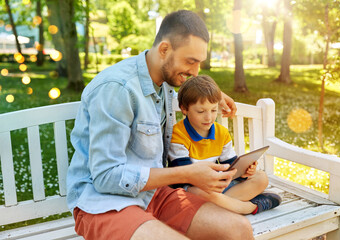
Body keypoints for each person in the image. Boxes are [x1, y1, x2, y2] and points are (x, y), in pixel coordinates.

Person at [66, 10, 254, 240]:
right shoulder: (117, 89)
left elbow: (185, 94)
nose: (195, 72)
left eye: (199, 63)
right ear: (164, 49)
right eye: (190, 61)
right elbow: (106, 177)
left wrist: (215, 95)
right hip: (105, 204)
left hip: (153, 195)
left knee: (239, 230)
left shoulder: (163, 83)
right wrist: (188, 173)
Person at [168, 75, 282, 215]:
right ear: (184, 109)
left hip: (217, 187)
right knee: (198, 192)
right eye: (201, 111)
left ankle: (215, 207)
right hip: (192, 189)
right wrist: (214, 182)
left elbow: (230, 167)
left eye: (214, 110)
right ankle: (251, 207)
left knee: (261, 178)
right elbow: (184, 175)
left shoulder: (221, 133)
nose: (208, 117)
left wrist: (244, 172)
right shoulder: (178, 134)